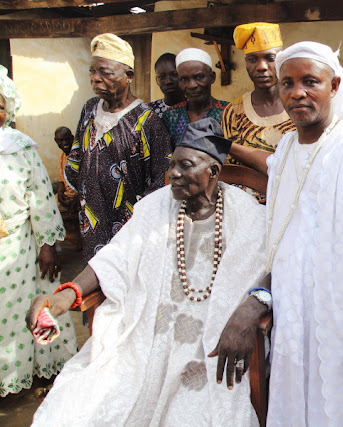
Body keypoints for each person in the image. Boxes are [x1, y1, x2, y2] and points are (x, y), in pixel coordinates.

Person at [28, 118, 270, 426]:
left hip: (208, 344)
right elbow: (114, 258)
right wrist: (64, 297)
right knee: (86, 403)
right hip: (146, 333)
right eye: (172, 165)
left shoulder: (247, 214)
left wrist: (249, 313)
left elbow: (270, 272)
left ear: (213, 172)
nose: (173, 175)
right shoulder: (155, 205)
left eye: (186, 166)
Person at [225, 41, 343, 426]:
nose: (297, 93)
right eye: (287, 83)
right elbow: (284, 244)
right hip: (293, 316)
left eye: (310, 81)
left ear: (335, 84)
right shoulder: (287, 149)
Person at [0, 65, 77, 398]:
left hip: (18, 248)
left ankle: (39, 372)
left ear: (8, 108)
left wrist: (47, 245)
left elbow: (41, 199)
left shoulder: (20, 147)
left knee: (28, 310)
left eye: (0, 103)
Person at [65, 33, 172, 263]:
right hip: (92, 224)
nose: (95, 79)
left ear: (129, 76)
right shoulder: (89, 109)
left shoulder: (147, 122)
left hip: (129, 231)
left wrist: (137, 221)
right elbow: (77, 157)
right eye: (92, 72)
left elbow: (162, 181)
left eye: (105, 72)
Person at [221, 22, 295, 202]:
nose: (261, 66)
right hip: (247, 208)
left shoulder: (299, 106)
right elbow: (233, 171)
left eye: (270, 58)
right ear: (246, 64)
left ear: (282, 60)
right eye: (253, 59)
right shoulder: (234, 112)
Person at [163, 48, 229, 147]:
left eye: (199, 77)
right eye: (184, 79)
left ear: (212, 77)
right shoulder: (171, 116)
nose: (191, 85)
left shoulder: (228, 112)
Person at [149, 52, 185, 118]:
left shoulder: (194, 109)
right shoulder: (149, 111)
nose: (168, 81)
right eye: (162, 77)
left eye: (174, 75)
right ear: (157, 80)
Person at [53, 126, 79, 219]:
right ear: (56, 141)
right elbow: (61, 179)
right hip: (68, 195)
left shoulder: (79, 155)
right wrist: (60, 192)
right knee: (48, 207)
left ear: (72, 138)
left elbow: (88, 181)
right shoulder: (61, 157)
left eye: (67, 139)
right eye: (61, 140)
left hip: (82, 196)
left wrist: (78, 197)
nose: (65, 143)